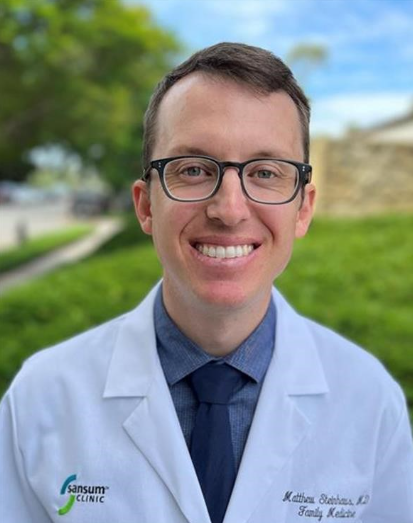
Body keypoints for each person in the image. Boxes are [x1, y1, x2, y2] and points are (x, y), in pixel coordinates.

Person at [1, 43, 412, 523]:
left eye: (265, 172)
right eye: (193, 170)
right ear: (146, 206)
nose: (229, 210)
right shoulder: (41, 399)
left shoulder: (369, 400)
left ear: (303, 209)